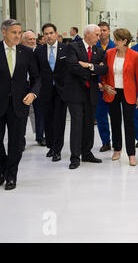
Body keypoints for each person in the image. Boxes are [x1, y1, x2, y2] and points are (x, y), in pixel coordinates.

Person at [0, 19, 41, 190]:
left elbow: (37, 78)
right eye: (14, 32)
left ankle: (11, 175)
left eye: (20, 33)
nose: (18, 36)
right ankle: (3, 169)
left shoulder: (27, 52)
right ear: (4, 32)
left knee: (16, 142)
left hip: (19, 105)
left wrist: (32, 93)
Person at [63, 24, 107, 170]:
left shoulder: (99, 51)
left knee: (89, 124)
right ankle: (75, 157)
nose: (99, 37)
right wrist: (92, 70)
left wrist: (88, 66)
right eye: (96, 35)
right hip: (75, 93)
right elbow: (72, 67)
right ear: (87, 34)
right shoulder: (73, 47)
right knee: (77, 124)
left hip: (91, 93)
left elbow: (104, 68)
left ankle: (87, 153)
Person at [101, 29, 138, 165]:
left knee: (129, 123)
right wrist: (105, 85)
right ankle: (117, 149)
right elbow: (104, 73)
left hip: (129, 92)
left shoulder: (134, 55)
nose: (114, 42)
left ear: (125, 41)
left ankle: (131, 154)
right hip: (113, 91)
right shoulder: (109, 53)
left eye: (117, 39)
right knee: (115, 121)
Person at [35, 23, 68, 162]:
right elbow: (36, 72)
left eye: (51, 33)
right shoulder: (39, 51)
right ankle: (51, 146)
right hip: (45, 91)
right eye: (46, 34)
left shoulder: (66, 49)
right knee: (48, 120)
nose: (48, 36)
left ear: (56, 33)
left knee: (59, 120)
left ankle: (57, 149)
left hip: (61, 90)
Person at [21, 30, 46, 147]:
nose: (32, 41)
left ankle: (40, 137)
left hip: (37, 85)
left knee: (39, 111)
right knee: (21, 114)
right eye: (29, 39)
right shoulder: (18, 51)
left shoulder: (40, 50)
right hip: (22, 85)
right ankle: (21, 139)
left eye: (33, 39)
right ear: (23, 41)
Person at [95, 22, 115, 152]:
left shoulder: (115, 46)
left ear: (108, 32)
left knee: (115, 117)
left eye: (104, 30)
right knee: (101, 116)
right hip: (98, 88)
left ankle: (117, 142)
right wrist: (99, 84)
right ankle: (106, 142)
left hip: (113, 88)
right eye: (99, 31)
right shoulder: (93, 47)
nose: (102, 33)